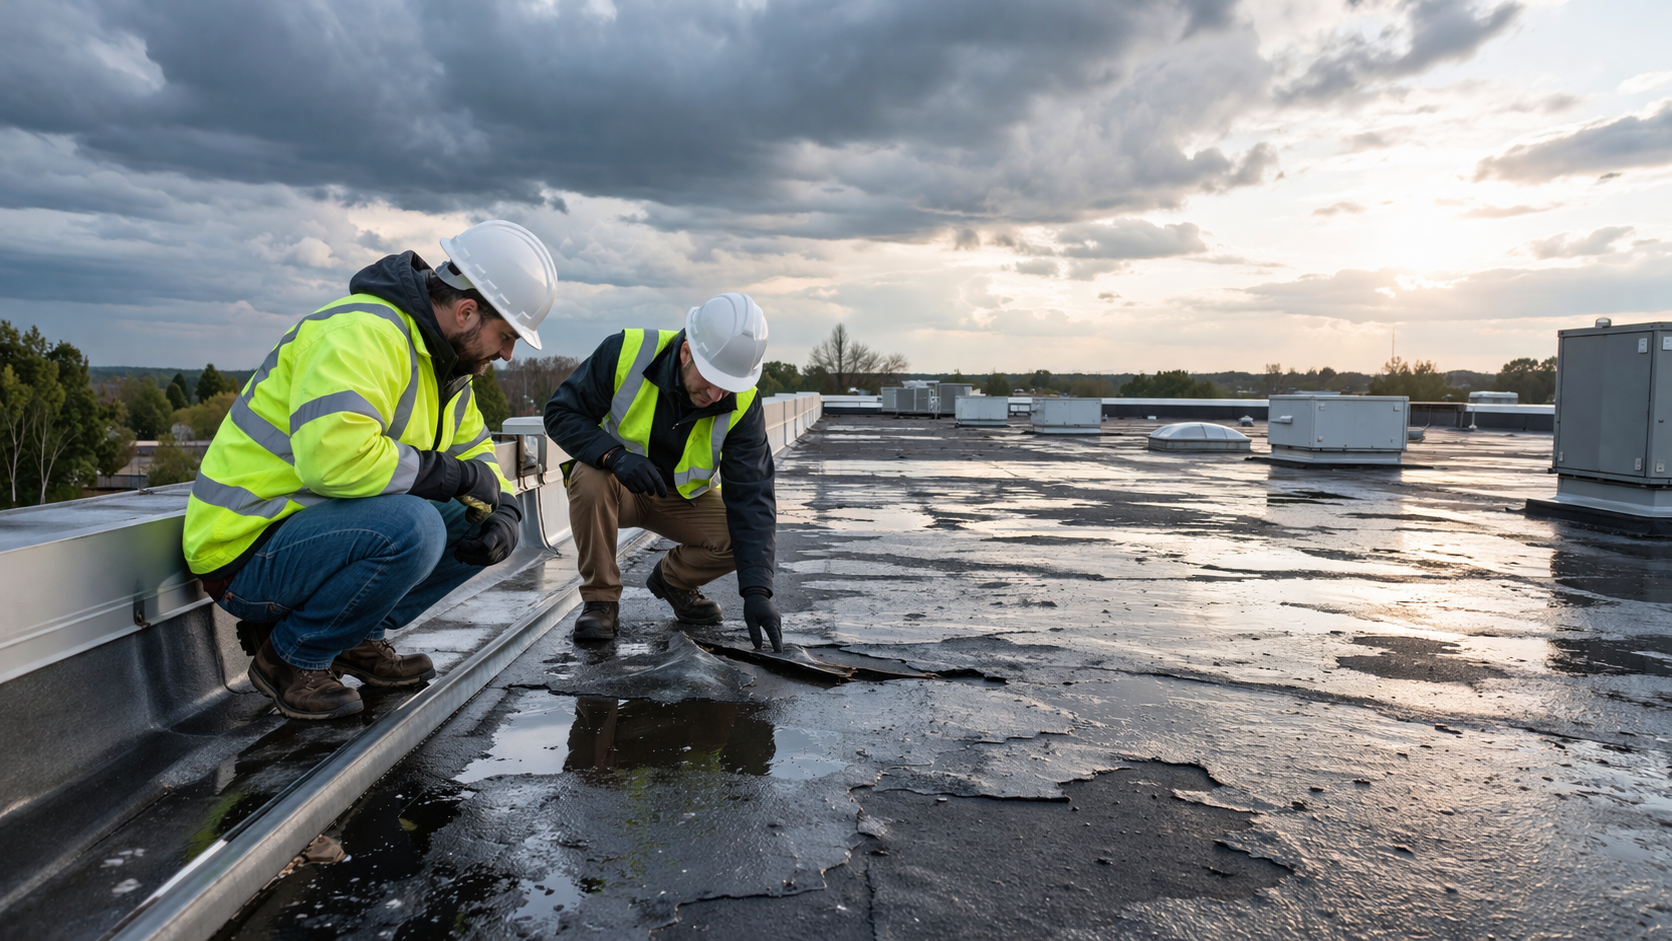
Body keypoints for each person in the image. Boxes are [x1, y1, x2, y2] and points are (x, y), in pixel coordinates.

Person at [183, 220, 558, 720]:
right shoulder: (361, 334)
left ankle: (355, 638)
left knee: (471, 518)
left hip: (315, 531)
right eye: (506, 336)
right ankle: (290, 657)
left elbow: (476, 454)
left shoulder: (448, 371)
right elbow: (335, 461)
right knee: (417, 525)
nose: (508, 354)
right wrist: (453, 477)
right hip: (246, 546)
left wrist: (506, 509)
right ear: (467, 311)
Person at [543, 293, 784, 651]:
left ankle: (674, 581)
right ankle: (601, 601)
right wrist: (614, 456)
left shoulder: (743, 402)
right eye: (710, 379)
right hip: (618, 485)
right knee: (587, 476)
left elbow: (752, 496)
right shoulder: (626, 351)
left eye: (727, 385)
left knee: (743, 536)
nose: (717, 394)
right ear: (686, 352)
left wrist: (757, 591)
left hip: (681, 500)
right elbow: (560, 414)